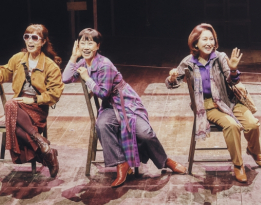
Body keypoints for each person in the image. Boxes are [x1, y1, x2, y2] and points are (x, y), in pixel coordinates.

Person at [63, 28, 186, 187]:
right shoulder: (82, 63)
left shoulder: (104, 64)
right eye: (82, 43)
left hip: (127, 102)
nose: (86, 47)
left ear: (98, 46)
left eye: (90, 43)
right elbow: (65, 78)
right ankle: (121, 163)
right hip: (110, 106)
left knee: (145, 133)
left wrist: (87, 79)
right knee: (102, 125)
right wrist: (73, 57)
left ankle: (165, 160)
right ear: (78, 45)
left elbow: (103, 93)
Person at [167, 23, 261, 183]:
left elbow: (232, 80)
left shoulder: (220, 57)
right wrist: (172, 78)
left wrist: (233, 70)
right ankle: (238, 165)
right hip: (208, 105)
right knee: (232, 126)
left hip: (229, 100)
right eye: (204, 39)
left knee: (252, 125)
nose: (209, 43)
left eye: (211, 39)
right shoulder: (189, 62)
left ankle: (254, 151)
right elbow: (172, 83)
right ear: (195, 43)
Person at [0, 24, 63, 177]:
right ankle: (44, 148)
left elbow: (55, 94)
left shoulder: (50, 66)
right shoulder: (18, 59)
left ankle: (43, 150)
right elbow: (2, 74)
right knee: (12, 108)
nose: (30, 41)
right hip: (18, 106)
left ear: (43, 42)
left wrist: (33, 99)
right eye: (27, 37)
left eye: (34, 38)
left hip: (37, 107)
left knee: (10, 105)